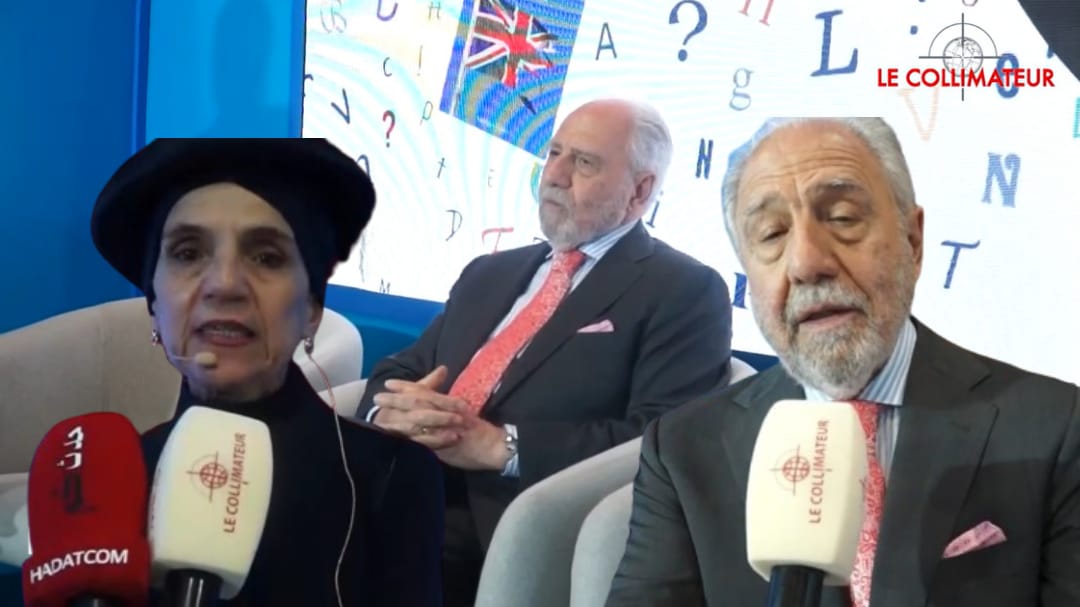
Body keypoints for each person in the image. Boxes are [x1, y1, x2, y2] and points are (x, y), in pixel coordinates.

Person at [606, 117, 1080, 606]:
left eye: (842, 217)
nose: (806, 263)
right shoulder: (681, 450)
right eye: (771, 233)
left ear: (913, 242)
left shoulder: (1056, 428)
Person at [356, 98, 734, 605]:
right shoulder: (489, 272)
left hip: (510, 517)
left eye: (584, 162)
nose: (554, 175)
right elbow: (404, 367)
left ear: (641, 190)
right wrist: (391, 410)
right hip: (403, 476)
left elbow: (664, 440)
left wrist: (502, 447)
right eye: (553, 153)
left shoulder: (683, 290)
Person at [90, 138, 444, 606]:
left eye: (266, 258)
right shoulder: (109, 478)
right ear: (154, 304)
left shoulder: (390, 475)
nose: (224, 285)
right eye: (188, 253)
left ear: (312, 309)